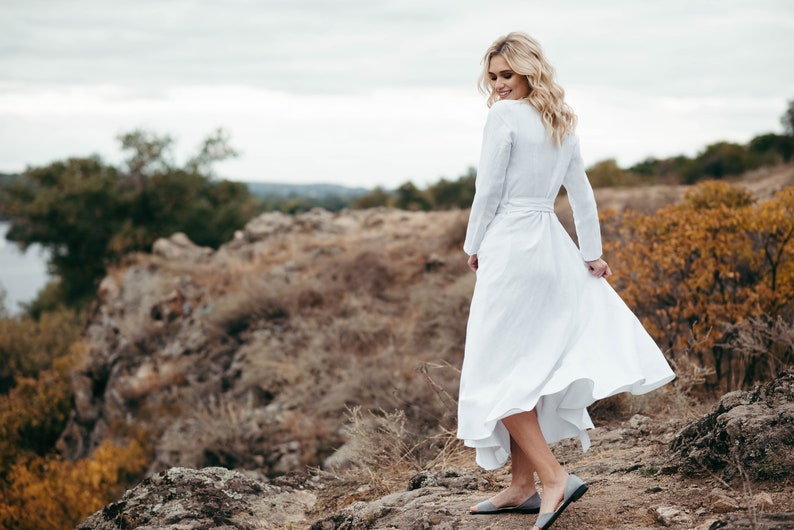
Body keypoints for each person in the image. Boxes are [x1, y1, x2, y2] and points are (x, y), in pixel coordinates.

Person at [457, 32, 676, 530]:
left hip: (512, 245)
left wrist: (473, 244)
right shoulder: (561, 120)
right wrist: (592, 254)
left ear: (529, 71)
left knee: (496, 373)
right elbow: (581, 194)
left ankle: (554, 478)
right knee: (523, 366)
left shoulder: (503, 117)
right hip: (552, 247)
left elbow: (487, 190)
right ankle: (520, 487)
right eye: (492, 77)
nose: (498, 85)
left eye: (506, 75)